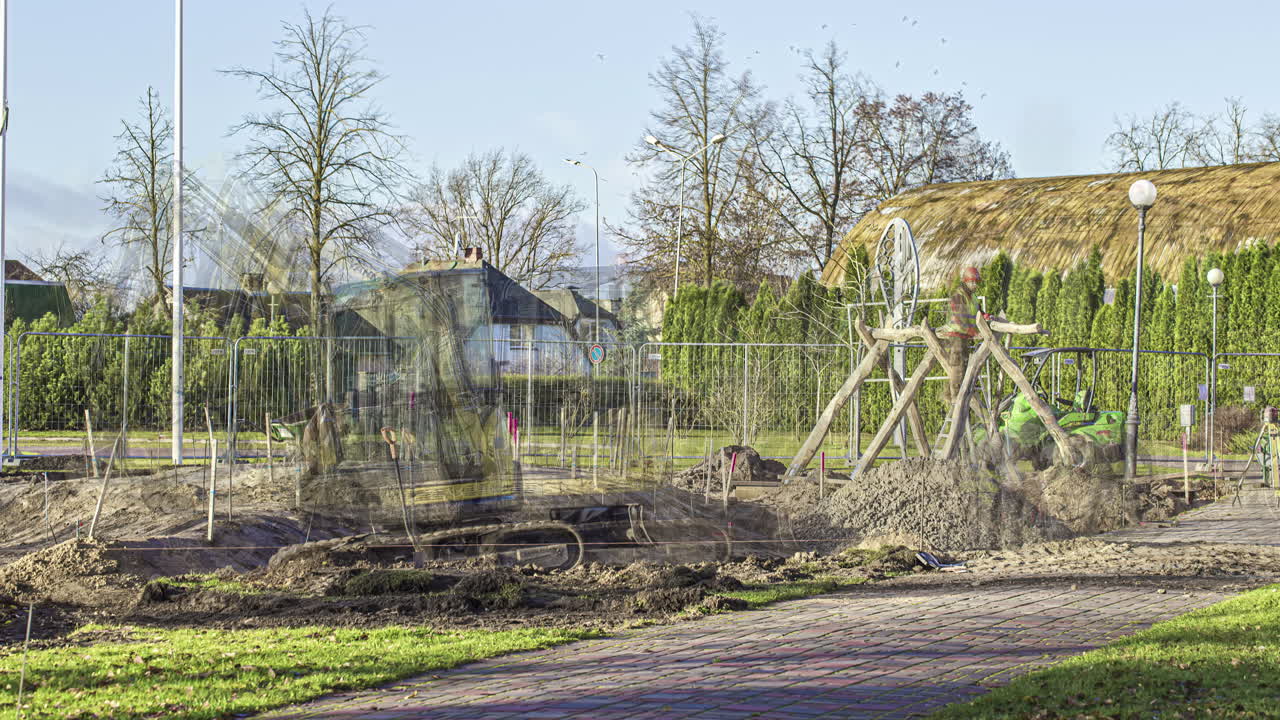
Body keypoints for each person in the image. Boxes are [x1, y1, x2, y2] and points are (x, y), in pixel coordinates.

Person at [940, 267, 982, 403]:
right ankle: (955, 396)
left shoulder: (973, 298)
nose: (975, 285)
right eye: (972, 282)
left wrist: (987, 317)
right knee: (957, 365)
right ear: (966, 281)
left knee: (964, 363)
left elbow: (978, 313)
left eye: (976, 282)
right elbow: (959, 320)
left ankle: (960, 392)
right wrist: (974, 333)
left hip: (965, 335)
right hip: (956, 334)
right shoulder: (959, 296)